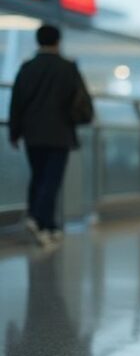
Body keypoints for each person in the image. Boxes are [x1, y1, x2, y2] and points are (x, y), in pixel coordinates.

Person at [8, 24, 93, 248]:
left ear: (38, 41)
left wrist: (14, 132)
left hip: (32, 132)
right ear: (58, 41)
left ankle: (47, 225)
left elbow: (17, 102)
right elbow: (81, 101)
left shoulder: (27, 68)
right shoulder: (68, 68)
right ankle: (37, 219)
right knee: (51, 180)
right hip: (60, 132)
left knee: (38, 177)